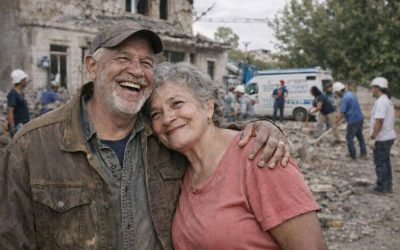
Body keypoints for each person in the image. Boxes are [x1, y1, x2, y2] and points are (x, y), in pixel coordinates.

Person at [0, 23, 290, 249]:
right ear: (91, 66)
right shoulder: (31, 147)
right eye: (123, 58)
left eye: (147, 63)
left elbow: (210, 131)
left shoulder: (167, 134)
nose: (136, 71)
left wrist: (264, 127)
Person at [150, 62, 327, 250]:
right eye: (156, 114)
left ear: (208, 107)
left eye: (177, 103)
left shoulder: (261, 156)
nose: (167, 118)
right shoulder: (178, 170)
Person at [369, 77, 396, 194]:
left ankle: (382, 187)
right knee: (386, 162)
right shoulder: (387, 101)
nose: (371, 90)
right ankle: (388, 185)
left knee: (380, 163)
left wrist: (373, 137)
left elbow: (379, 121)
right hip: (388, 136)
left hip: (382, 137)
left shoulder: (381, 102)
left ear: (378, 88)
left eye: (372, 88)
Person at [332, 81, 367, 160]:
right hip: (359, 118)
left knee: (349, 138)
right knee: (360, 137)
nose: (336, 95)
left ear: (338, 91)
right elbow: (350, 108)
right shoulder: (351, 94)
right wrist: (345, 117)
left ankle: (352, 155)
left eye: (336, 93)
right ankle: (363, 154)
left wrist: (335, 123)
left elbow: (341, 113)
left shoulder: (345, 99)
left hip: (353, 121)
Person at [7, 69, 30, 136]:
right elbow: (10, 110)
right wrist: (12, 126)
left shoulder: (20, 93)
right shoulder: (12, 94)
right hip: (18, 125)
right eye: (25, 79)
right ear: (21, 80)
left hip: (24, 124)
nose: (26, 81)